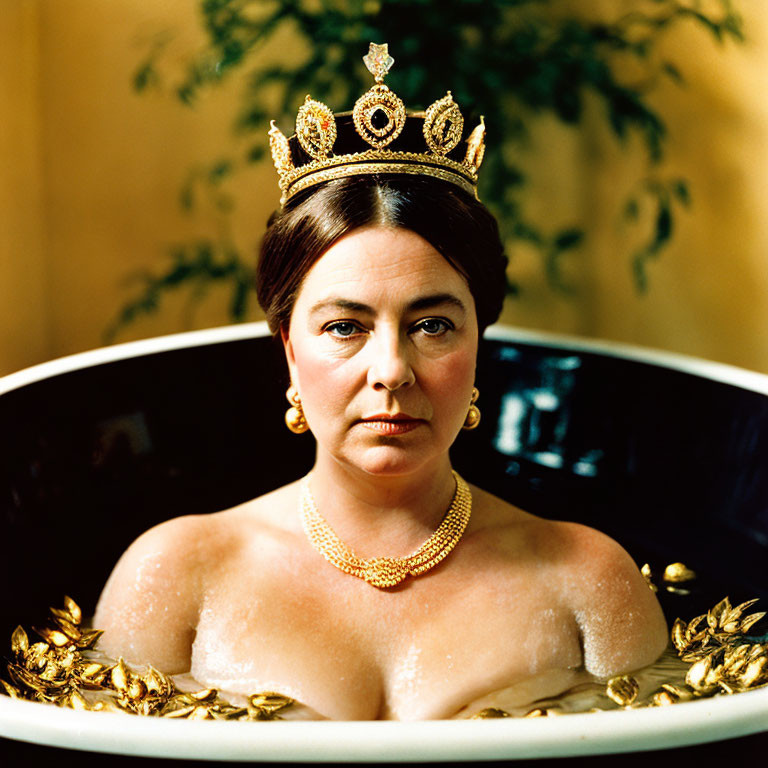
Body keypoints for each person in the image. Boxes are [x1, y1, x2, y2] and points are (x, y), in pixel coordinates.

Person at [94, 43, 667, 721]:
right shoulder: (175, 579)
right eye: (344, 327)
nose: (391, 370)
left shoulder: (589, 583)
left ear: (479, 341)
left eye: (432, 326)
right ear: (288, 351)